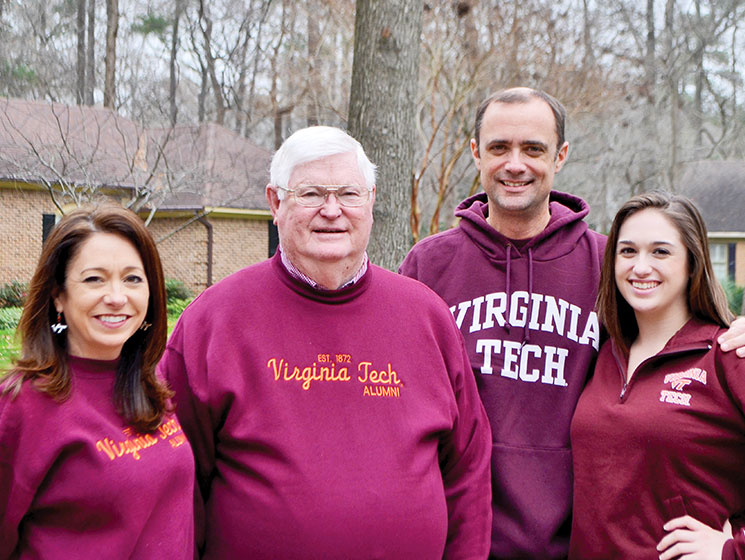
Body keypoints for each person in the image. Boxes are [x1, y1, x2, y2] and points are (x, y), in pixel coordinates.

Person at [399, 87, 745, 558]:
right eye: (499, 147)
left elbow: (674, 328)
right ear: (476, 153)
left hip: (574, 543)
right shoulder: (427, 266)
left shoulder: (607, 264)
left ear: (560, 156)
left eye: (534, 149)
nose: (515, 164)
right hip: (461, 538)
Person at [159, 125, 492, 559]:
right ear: (276, 203)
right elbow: (176, 484)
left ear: (371, 202)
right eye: (311, 194)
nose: (332, 210)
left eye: (349, 194)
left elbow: (468, 468)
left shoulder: (426, 316)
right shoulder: (214, 321)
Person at [0, 205, 195, 559]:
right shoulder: (23, 405)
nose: (117, 297)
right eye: (94, 279)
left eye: (133, 278)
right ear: (58, 295)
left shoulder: (153, 388)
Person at [569, 191, 745, 559]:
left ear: (692, 264)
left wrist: (733, 549)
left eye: (660, 252)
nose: (641, 267)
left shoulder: (727, 355)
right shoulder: (600, 355)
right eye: (628, 251)